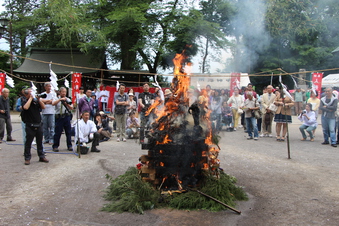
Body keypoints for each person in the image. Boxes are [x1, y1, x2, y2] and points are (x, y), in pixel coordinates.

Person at [21, 87, 49, 165]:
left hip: (38, 123)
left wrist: (38, 99)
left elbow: (43, 107)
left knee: (39, 142)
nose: (32, 94)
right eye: (30, 93)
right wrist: (30, 98)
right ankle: (27, 158)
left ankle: (41, 156)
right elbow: (25, 107)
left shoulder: (36, 101)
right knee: (28, 142)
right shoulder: (24, 100)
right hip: (29, 124)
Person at [52, 87, 73, 152]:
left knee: (68, 132)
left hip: (66, 116)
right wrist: (60, 100)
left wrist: (66, 103)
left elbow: (72, 107)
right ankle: (55, 146)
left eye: (65, 92)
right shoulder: (56, 98)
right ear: (60, 92)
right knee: (58, 132)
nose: (64, 93)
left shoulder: (68, 99)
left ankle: (69, 145)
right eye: (63, 92)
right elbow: (53, 103)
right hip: (59, 117)